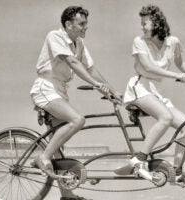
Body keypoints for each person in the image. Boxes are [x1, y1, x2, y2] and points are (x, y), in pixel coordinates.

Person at [30, 6, 121, 200]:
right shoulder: (55, 36)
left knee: (59, 147)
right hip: (46, 88)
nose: (85, 27)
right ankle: (42, 158)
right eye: (81, 24)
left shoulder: (78, 42)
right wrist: (96, 85)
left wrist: (113, 91)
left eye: (86, 23)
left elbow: (91, 68)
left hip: (60, 91)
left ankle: (67, 195)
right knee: (77, 120)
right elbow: (73, 63)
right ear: (68, 24)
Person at [123, 4, 185, 181]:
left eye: (144, 23)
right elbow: (148, 67)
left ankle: (176, 171)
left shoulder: (173, 42)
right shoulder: (139, 41)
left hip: (156, 91)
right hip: (140, 88)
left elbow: (180, 63)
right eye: (141, 23)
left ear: (156, 23)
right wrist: (176, 76)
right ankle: (139, 159)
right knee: (166, 117)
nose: (142, 27)